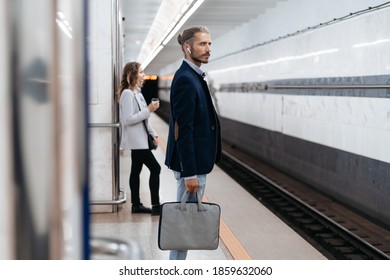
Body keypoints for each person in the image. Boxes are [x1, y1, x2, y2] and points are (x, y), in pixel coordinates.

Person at [164, 26, 222, 259]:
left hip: (196, 165)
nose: (208, 49)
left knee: (184, 227)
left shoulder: (193, 75)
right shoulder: (186, 79)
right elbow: (184, 130)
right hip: (192, 167)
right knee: (182, 229)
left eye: (209, 44)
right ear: (187, 48)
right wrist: (189, 174)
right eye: (202, 44)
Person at [117, 61, 161, 216]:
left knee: (136, 170)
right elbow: (128, 119)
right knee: (156, 168)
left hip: (142, 139)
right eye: (141, 72)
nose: (143, 75)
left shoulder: (138, 93)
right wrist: (149, 109)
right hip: (136, 141)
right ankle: (156, 206)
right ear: (132, 74)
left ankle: (136, 205)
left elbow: (144, 118)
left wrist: (153, 133)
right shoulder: (127, 94)